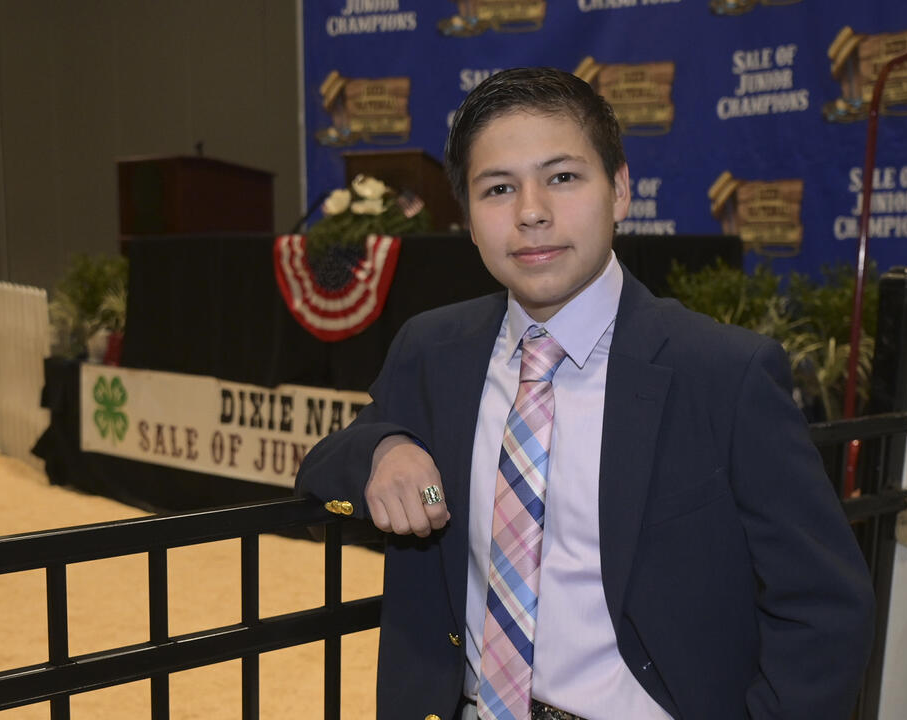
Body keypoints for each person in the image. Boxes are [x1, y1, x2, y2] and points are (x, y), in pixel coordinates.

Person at [295, 67, 874, 720]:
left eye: (563, 177)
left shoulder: (721, 373)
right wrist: (382, 450)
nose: (532, 211)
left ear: (620, 190)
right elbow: (321, 472)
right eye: (498, 188)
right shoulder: (434, 351)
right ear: (469, 220)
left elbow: (825, 604)